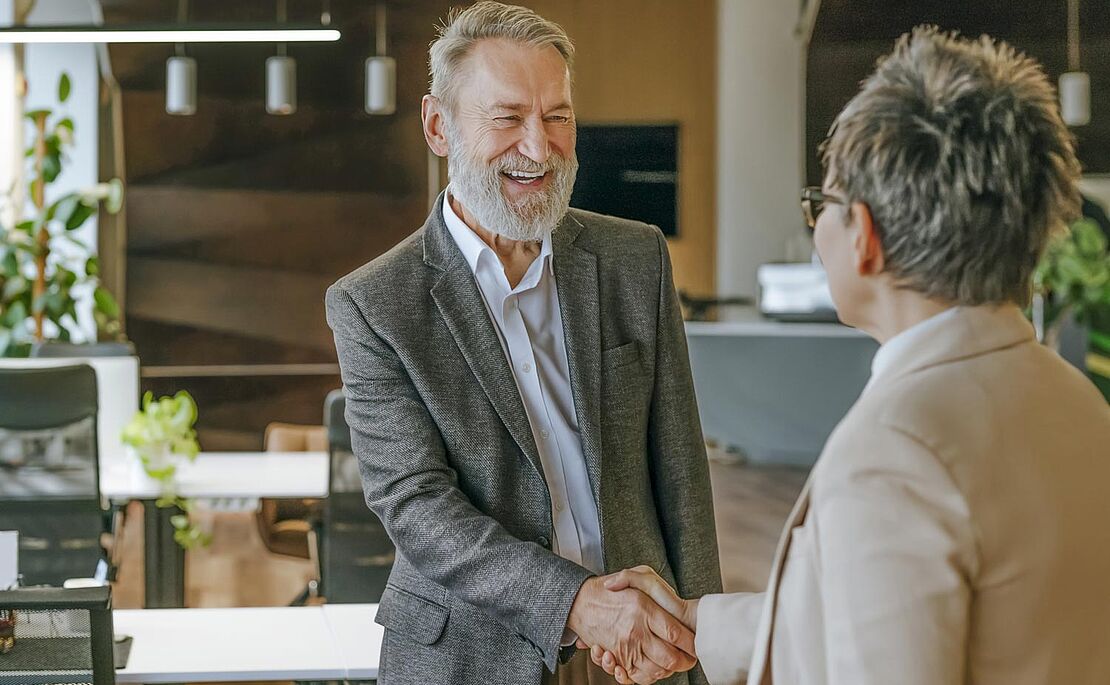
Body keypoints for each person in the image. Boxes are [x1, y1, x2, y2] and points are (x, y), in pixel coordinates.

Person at [584, 25, 1110, 685]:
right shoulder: (1075, 398)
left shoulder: (898, 451)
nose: (816, 226)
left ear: (863, 236)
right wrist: (698, 621)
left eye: (821, 203)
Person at [325, 3, 721, 684]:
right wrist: (574, 601)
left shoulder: (636, 259)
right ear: (438, 126)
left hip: (639, 653)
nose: (539, 148)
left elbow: (681, 472)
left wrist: (706, 638)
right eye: (508, 118)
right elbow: (419, 507)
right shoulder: (375, 304)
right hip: (470, 657)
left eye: (558, 116)